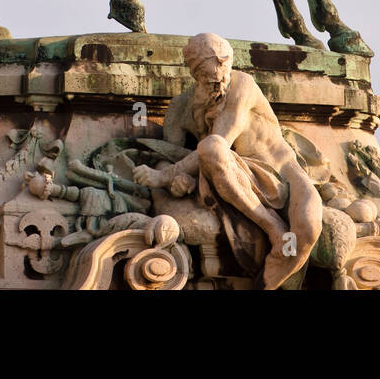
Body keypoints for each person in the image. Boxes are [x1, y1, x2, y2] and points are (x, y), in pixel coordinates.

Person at [132, 32, 323, 289]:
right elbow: (182, 152)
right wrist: (181, 177)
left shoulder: (242, 84)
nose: (221, 76)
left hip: (284, 174)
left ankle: (269, 282)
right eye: (211, 73)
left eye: (225, 66)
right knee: (211, 148)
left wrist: (165, 176)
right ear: (194, 72)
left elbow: (223, 136)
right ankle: (273, 227)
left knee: (309, 228)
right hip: (234, 172)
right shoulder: (181, 108)